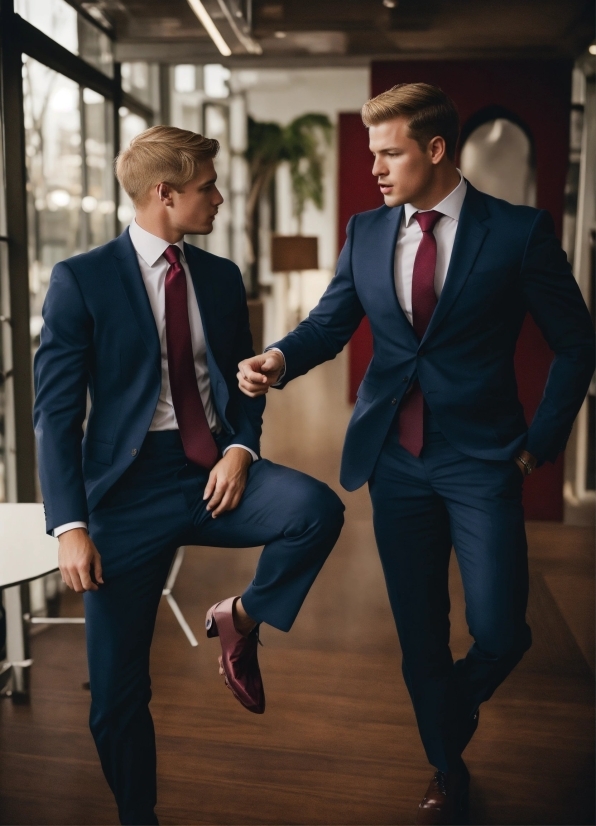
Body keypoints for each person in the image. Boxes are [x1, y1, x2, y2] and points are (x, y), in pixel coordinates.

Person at [237, 83, 596, 825]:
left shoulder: (518, 232)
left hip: (483, 460)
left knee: (502, 629)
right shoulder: (367, 230)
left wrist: (540, 445)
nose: (375, 167)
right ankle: (445, 765)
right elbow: (330, 323)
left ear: (436, 150)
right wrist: (278, 358)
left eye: (390, 151)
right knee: (420, 631)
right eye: (372, 153)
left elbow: (577, 341)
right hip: (395, 460)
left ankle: (447, 710)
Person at [33, 125, 344, 825]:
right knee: (115, 697)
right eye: (207, 187)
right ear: (163, 194)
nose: (221, 198)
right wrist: (71, 526)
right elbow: (54, 413)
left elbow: (242, 389)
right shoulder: (80, 279)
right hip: (125, 496)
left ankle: (238, 620)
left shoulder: (221, 277)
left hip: (212, 474)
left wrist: (243, 449)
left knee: (316, 511)